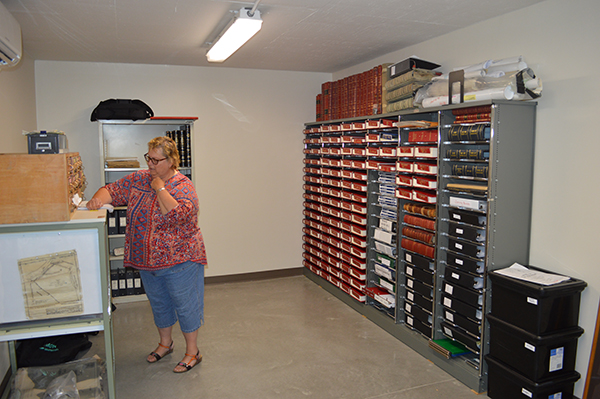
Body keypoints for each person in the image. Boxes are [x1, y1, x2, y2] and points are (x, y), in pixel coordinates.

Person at [87, 136, 207, 373]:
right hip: (147, 262)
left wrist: (160, 187)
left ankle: (193, 352)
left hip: (181, 261)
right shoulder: (138, 179)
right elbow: (111, 190)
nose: (150, 164)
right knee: (159, 304)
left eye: (156, 160)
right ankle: (165, 344)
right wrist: (98, 199)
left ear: (172, 160)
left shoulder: (184, 186)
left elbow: (177, 215)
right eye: (148, 158)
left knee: (185, 305)